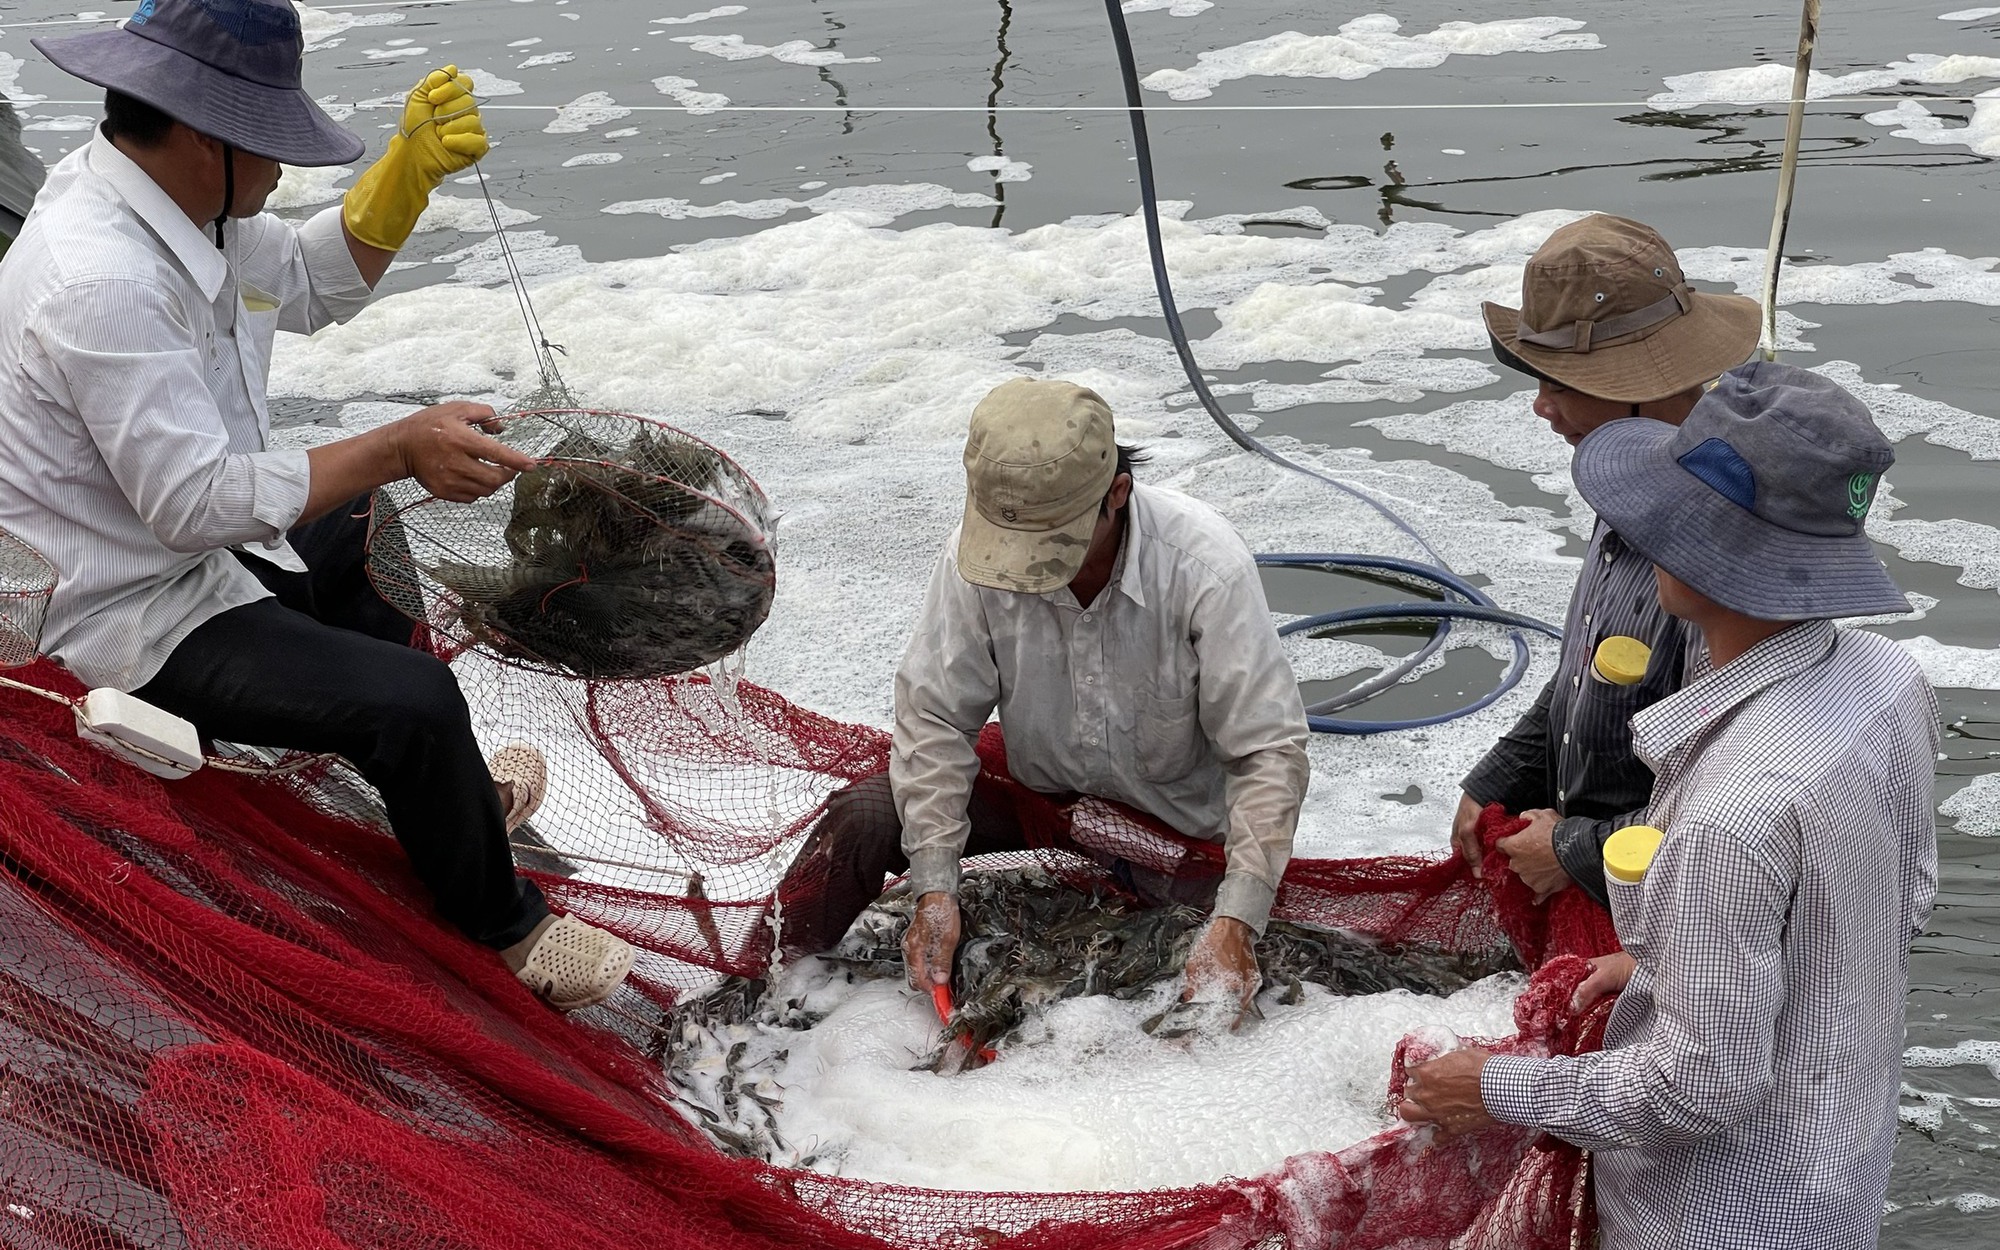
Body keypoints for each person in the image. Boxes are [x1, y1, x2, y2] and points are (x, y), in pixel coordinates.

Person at [0, 0, 632, 1010]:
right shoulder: (97, 275)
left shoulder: (169, 201)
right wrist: (395, 442)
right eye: (272, 142)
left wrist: (405, 178)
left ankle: (441, 799)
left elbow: (304, 282)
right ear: (205, 140)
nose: (286, 168)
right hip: (120, 610)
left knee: (361, 529)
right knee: (413, 703)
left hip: (173, 542)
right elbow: (192, 502)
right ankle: (503, 926)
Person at [1400, 363, 1937, 1250]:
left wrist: (1493, 1088)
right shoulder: (1886, 680)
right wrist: (1661, 969)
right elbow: (1897, 904)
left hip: (1718, 1214)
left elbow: (1700, 1088)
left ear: (1706, 553)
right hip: (1839, 1165)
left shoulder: (1730, 812)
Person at [780, 378, 1310, 1014]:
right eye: (1012, 547)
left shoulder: (1204, 567)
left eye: (1048, 547)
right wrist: (935, 889)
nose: (1021, 569)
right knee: (864, 818)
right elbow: (934, 717)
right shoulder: (972, 560)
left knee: (1197, 977)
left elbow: (1268, 752)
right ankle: (771, 983)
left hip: (1176, 831)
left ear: (1117, 493)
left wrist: (1236, 922)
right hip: (1042, 797)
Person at [1453, 213, 1760, 909]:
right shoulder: (1622, 473)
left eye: (1561, 384)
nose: (1540, 406)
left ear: (1647, 383)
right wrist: (1501, 775)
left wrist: (1569, 851)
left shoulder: (1728, 547)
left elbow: (1732, 804)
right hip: (1594, 870)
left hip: (1676, 912)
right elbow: (1586, 667)